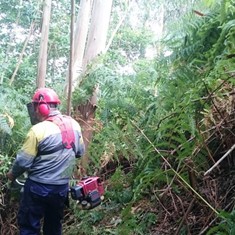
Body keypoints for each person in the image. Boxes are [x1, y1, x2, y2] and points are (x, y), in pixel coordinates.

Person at [6, 87, 85, 235]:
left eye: (35, 107)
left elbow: (23, 162)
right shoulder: (74, 125)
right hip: (61, 188)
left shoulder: (38, 130)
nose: (34, 111)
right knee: (54, 226)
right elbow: (80, 152)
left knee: (29, 226)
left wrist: (11, 174)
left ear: (42, 107)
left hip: (38, 187)